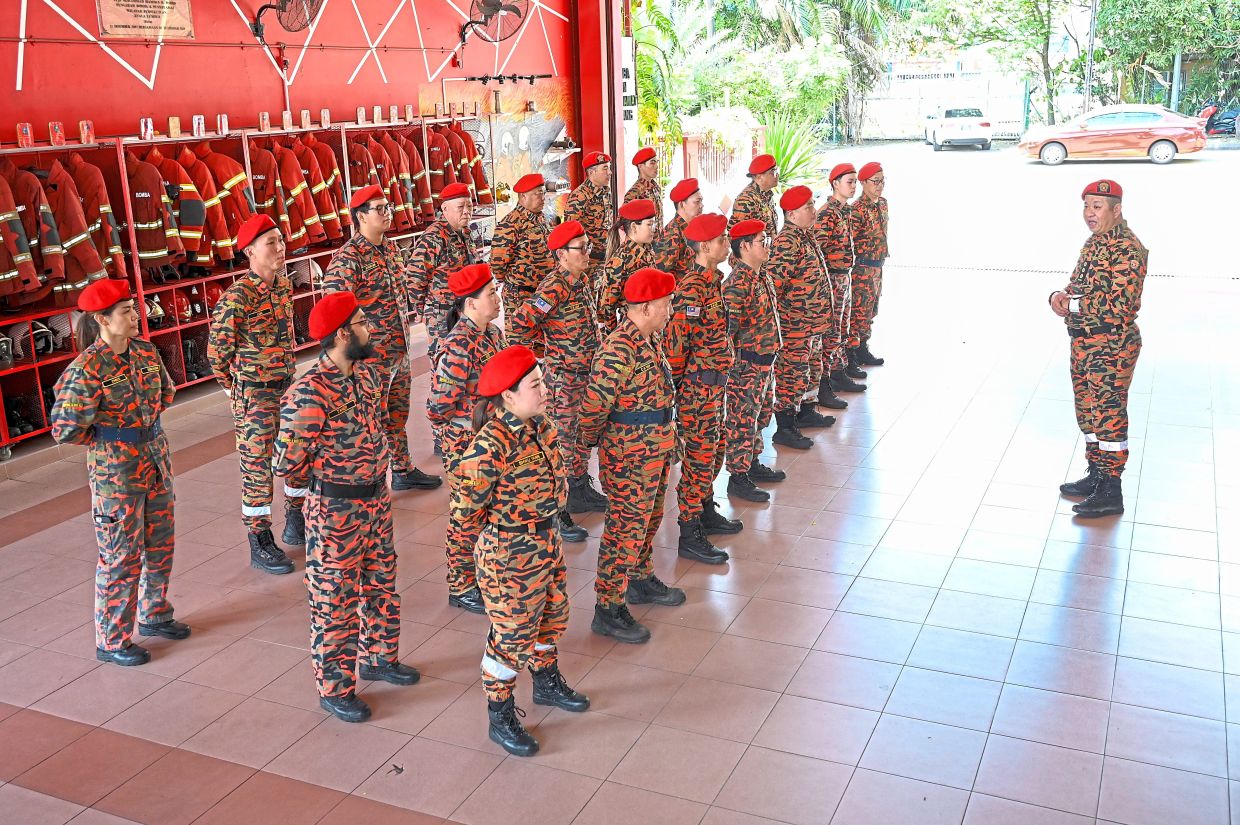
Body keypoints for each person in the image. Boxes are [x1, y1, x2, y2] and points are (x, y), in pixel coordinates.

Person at [274, 291, 420, 723]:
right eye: (361, 323)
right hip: (336, 509)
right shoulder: (308, 393)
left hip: (376, 499)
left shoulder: (366, 376)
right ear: (341, 335)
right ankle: (335, 687)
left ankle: (380, 657)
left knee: (381, 584)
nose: (369, 328)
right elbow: (287, 462)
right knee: (334, 598)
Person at [453, 345, 590, 757]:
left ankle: (546, 682)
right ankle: (500, 714)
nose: (544, 390)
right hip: (509, 552)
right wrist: (497, 546)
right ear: (508, 396)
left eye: (543, 381)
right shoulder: (488, 446)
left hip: (546, 541)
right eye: (535, 384)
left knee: (552, 618)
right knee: (511, 636)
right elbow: (464, 515)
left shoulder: (539, 426)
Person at [50, 278, 189, 667]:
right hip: (117, 474)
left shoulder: (145, 351)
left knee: (160, 544)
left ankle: (155, 613)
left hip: (156, 460)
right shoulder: (88, 368)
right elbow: (65, 427)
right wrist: (110, 437)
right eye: (127, 312)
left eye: (133, 308)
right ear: (103, 320)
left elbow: (166, 392)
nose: (135, 316)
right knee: (121, 555)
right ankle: (112, 639)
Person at [580, 267, 681, 644]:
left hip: (654, 449)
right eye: (666, 302)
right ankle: (607, 608)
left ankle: (639, 579)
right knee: (624, 530)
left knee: (649, 519)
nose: (671, 308)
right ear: (647, 306)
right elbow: (592, 409)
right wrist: (594, 445)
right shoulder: (618, 348)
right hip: (629, 457)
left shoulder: (647, 338)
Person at [323, 184, 442, 492]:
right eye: (379, 209)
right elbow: (334, 310)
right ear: (360, 217)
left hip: (398, 350)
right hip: (370, 357)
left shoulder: (390, 249)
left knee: (396, 415)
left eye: (388, 207)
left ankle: (402, 470)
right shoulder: (347, 260)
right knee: (370, 420)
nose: (388, 213)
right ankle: (370, 478)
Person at [207, 214, 302, 575]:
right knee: (257, 468)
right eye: (271, 243)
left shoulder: (282, 286)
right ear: (249, 252)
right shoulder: (236, 298)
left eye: (280, 240)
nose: (280, 249)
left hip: (287, 388)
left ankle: (297, 520)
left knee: (297, 455)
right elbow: (217, 355)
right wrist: (236, 390)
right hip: (255, 396)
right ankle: (260, 540)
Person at [1049, 179, 1147, 518]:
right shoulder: (1094, 244)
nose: (1089, 213)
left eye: (1097, 207)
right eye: (1086, 206)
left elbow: (1120, 305)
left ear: (1116, 210)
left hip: (1111, 345)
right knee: (1088, 413)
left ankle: (1111, 488)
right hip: (1085, 343)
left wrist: (1072, 306)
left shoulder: (1128, 249)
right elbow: (1078, 284)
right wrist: (1057, 296)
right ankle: (1095, 474)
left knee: (1109, 417)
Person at [509, 220, 607, 514]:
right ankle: (560, 508)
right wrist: (538, 362)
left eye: (588, 246)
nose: (587, 253)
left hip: (585, 375)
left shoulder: (581, 280)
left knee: (578, 436)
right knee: (563, 439)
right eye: (581, 248)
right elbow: (519, 325)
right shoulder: (554, 287)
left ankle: (579, 489)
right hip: (565, 379)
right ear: (562, 254)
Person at [664, 213, 742, 564]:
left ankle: (705, 510)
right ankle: (689, 530)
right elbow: (676, 348)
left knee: (713, 453)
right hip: (697, 392)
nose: (728, 244)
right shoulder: (691, 289)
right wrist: (680, 395)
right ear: (705, 246)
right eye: (723, 239)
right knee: (698, 459)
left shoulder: (712, 282)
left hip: (714, 389)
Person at [767, 184, 836, 451]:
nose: (814, 210)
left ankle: (806, 411)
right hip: (795, 326)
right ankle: (785, 426)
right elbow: (774, 285)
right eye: (808, 207)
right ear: (792, 213)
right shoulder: (787, 242)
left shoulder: (805, 236)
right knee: (790, 375)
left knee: (811, 370)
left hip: (812, 325)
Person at [723, 219, 784, 503]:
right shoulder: (736, 284)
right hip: (746, 366)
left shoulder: (762, 276)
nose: (768, 246)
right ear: (744, 247)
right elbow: (727, 332)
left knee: (760, 417)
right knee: (742, 421)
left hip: (764, 363)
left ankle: (752, 462)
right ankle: (738, 476)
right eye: (762, 241)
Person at [407, 182, 476, 361]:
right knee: (444, 362)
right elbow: (415, 277)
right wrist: (421, 309)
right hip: (442, 313)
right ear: (445, 209)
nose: (467, 211)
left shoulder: (465, 232)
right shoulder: (434, 237)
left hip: (466, 309)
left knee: (466, 360)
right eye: (461, 207)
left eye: (469, 206)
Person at [815, 163, 866, 397]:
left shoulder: (845, 211)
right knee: (831, 333)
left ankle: (838, 372)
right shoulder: (827, 214)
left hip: (844, 277)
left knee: (842, 330)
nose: (854, 186)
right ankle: (823, 383)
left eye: (855, 181)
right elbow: (818, 251)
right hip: (832, 279)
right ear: (835, 183)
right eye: (849, 181)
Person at [489, 173, 554, 354]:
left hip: (543, 294)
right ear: (523, 196)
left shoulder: (542, 219)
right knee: (521, 345)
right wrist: (516, 281)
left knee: (543, 342)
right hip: (521, 295)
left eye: (543, 193)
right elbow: (498, 264)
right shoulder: (510, 224)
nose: (542, 198)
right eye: (537, 194)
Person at [599, 198, 657, 334]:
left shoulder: (647, 250)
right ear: (634, 227)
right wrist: (614, 336)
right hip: (631, 330)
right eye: (650, 225)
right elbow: (607, 306)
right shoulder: (619, 261)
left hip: (651, 326)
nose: (654, 229)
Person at [849, 162, 887, 367]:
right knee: (858, 311)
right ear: (863, 183)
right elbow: (850, 241)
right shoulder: (857, 209)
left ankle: (864, 347)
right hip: (862, 268)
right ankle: (852, 353)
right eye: (875, 181)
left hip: (877, 267)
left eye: (882, 181)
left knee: (871, 310)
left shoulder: (882, 204)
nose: (880, 185)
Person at [563, 151, 614, 299]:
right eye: (605, 168)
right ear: (591, 172)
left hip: (604, 257)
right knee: (586, 298)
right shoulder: (580, 196)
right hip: (588, 261)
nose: (609, 172)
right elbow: (570, 232)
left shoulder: (605, 191)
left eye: (609, 168)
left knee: (602, 299)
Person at [655, 178, 704, 281]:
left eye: (701, 201)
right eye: (697, 202)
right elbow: (661, 275)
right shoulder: (673, 233)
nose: (701, 206)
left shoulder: (693, 229)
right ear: (682, 204)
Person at [729, 154, 779, 234]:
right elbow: (736, 237)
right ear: (759, 177)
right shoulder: (746, 200)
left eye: (776, 171)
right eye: (772, 172)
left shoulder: (766, 194)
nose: (777, 175)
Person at [624, 146, 664, 238]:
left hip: (658, 241)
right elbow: (625, 223)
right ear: (641, 166)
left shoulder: (656, 188)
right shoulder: (635, 192)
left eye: (656, 163)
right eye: (652, 163)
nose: (656, 166)